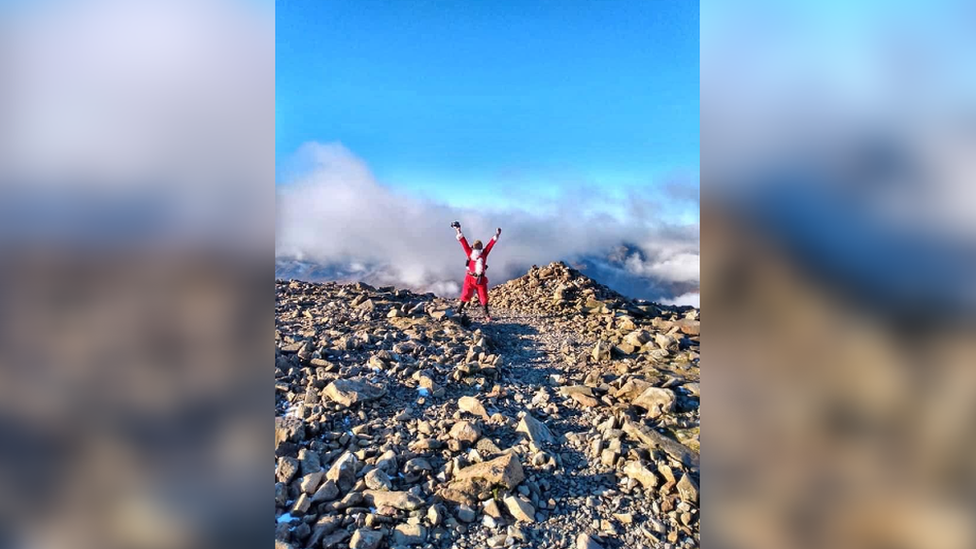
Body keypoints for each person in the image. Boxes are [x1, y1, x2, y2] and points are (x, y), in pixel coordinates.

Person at [452, 222, 501, 321]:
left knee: (475, 295)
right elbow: (490, 245)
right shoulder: (483, 254)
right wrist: (496, 235)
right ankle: (485, 315)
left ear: (473, 247)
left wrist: (458, 230)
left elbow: (463, 241)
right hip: (477, 278)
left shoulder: (471, 253)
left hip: (474, 278)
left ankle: (460, 311)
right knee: (477, 296)